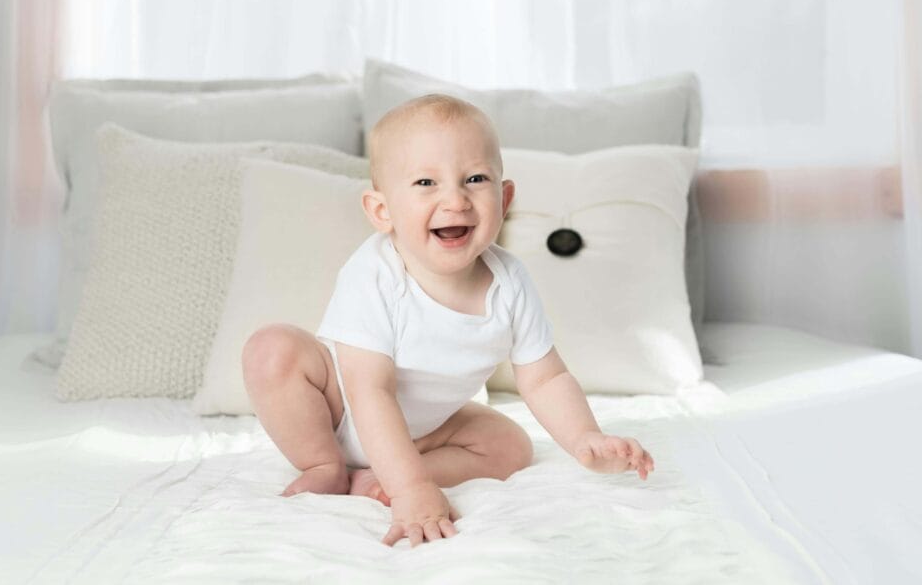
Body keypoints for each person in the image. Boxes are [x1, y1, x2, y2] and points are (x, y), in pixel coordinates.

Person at [242, 93, 655, 548]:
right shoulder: (375, 274)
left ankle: (378, 476)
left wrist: (585, 439)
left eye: (475, 179)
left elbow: (545, 378)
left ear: (506, 197)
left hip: (425, 430)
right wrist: (414, 492)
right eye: (425, 183)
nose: (455, 200)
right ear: (382, 211)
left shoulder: (510, 282)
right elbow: (369, 391)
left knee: (511, 446)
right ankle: (325, 465)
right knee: (272, 349)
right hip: (339, 408)